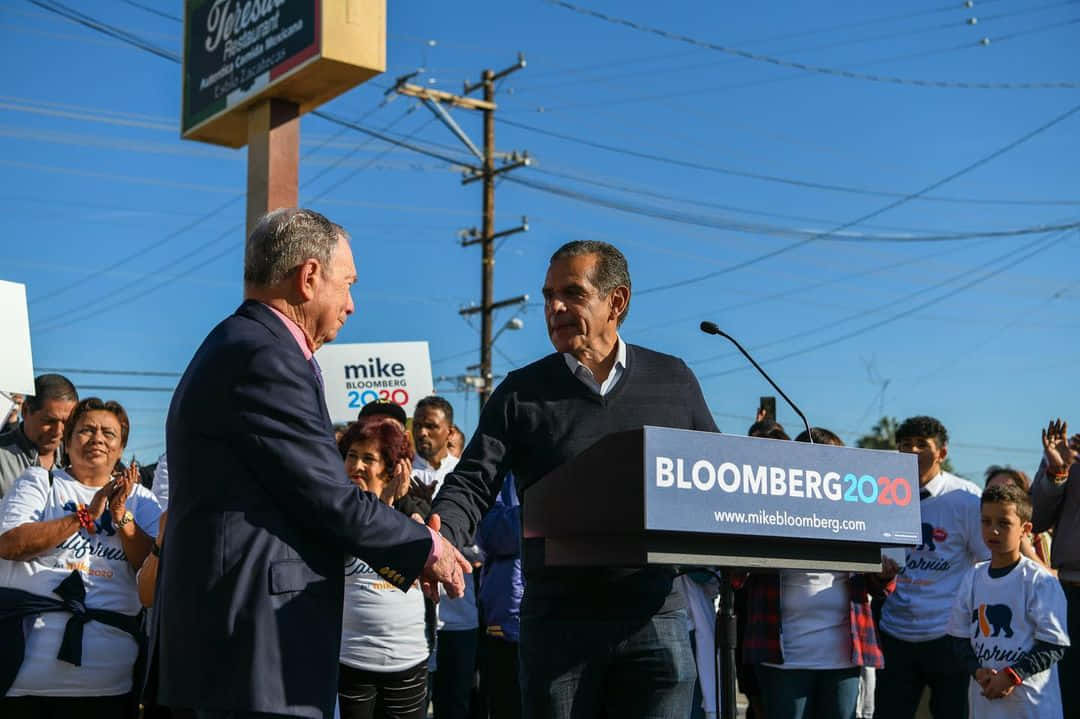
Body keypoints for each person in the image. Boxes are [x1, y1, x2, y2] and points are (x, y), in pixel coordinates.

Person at [155, 208, 469, 718]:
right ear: (308, 278)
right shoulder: (266, 356)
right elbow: (330, 497)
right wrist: (427, 547)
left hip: (238, 642)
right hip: (252, 648)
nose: (351, 305)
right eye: (346, 285)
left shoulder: (242, 343)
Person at [431, 240, 718, 718]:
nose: (554, 308)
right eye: (548, 296)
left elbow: (718, 478)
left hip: (656, 619)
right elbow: (473, 481)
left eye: (571, 293)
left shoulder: (674, 381)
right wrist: (442, 531)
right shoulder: (520, 393)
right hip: (558, 627)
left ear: (616, 302)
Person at [0, 397, 161, 717]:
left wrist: (121, 517)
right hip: (23, 683)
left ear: (121, 447)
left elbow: (153, 572)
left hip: (110, 686)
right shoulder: (39, 482)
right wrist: (84, 516)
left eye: (108, 433)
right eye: (86, 430)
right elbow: (8, 544)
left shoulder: (142, 500)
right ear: (68, 440)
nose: (98, 438)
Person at [744, 428, 894, 719]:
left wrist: (885, 574)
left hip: (842, 659)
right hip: (783, 660)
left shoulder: (857, 514)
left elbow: (878, 586)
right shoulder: (767, 510)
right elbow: (738, 578)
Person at [874, 416, 989, 719]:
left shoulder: (964, 498)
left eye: (921, 445)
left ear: (942, 453)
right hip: (894, 629)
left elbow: (986, 561)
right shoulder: (878, 492)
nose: (912, 451)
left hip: (948, 633)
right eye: (904, 445)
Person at [947, 483, 1069, 718]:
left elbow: (1054, 645)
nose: (993, 530)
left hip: (1032, 708)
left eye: (1004, 523)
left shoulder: (1040, 581)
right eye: (986, 521)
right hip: (985, 708)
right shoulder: (972, 577)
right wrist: (977, 671)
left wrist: (1012, 675)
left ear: (1025, 529)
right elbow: (959, 639)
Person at [338, 417, 429, 719]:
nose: (357, 466)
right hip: (351, 663)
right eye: (352, 456)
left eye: (368, 459)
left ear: (391, 468)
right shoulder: (335, 514)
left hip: (407, 664)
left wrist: (392, 500)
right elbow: (364, 533)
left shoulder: (414, 514)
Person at [1030, 417, 1080, 716]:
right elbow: (1035, 520)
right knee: (1067, 698)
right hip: (1070, 596)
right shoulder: (1069, 451)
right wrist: (1058, 471)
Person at [475, 474, 523, 719]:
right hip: (506, 628)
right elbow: (492, 534)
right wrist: (546, 507)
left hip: (559, 623)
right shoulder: (501, 477)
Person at [0, 374, 78, 498]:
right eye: (49, 421)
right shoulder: (2, 457)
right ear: (25, 411)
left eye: (66, 422)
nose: (58, 431)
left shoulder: (80, 457)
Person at [984, 466, 1051, 570]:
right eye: (991, 491)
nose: (998, 496)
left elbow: (1051, 577)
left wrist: (1023, 544)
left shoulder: (1037, 536)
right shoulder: (974, 530)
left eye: (1008, 490)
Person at [412, 396, 457, 494]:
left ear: (450, 433)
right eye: (417, 426)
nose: (422, 433)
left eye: (430, 426)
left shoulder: (460, 472)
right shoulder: (400, 473)